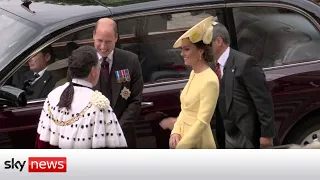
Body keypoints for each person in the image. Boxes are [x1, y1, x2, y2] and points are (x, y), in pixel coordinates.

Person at [35, 45, 127, 149]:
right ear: (93, 71)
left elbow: (41, 144)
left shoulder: (53, 96)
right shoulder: (99, 105)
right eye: (99, 66)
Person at [211, 23, 277, 149]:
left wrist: (266, 134)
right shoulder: (213, 66)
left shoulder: (245, 63)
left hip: (247, 133)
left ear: (218, 41)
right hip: (227, 133)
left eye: (206, 42)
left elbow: (263, 100)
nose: (203, 47)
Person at [167, 16, 220, 149]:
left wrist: (182, 146)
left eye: (187, 49)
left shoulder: (210, 80)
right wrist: (176, 131)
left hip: (198, 141)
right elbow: (185, 110)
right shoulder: (193, 73)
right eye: (182, 49)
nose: (182, 54)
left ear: (200, 51)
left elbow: (202, 121)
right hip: (184, 136)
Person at [92, 18, 143, 148]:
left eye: (108, 42)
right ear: (93, 36)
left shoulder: (130, 61)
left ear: (116, 38)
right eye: (99, 41)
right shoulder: (82, 61)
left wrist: (116, 130)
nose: (103, 47)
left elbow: (135, 100)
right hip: (91, 137)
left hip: (122, 136)